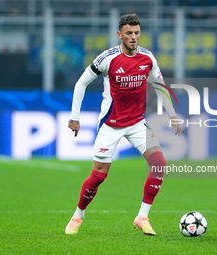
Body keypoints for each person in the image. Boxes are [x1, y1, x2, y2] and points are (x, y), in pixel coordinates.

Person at [65, 13, 182, 236]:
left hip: (138, 123)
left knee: (159, 163)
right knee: (99, 175)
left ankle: (142, 216)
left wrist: (172, 114)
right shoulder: (107, 59)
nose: (133, 37)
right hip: (111, 124)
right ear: (120, 34)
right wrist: (75, 117)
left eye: (137, 33)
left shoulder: (148, 58)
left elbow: (160, 86)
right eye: (129, 33)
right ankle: (78, 215)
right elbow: (81, 83)